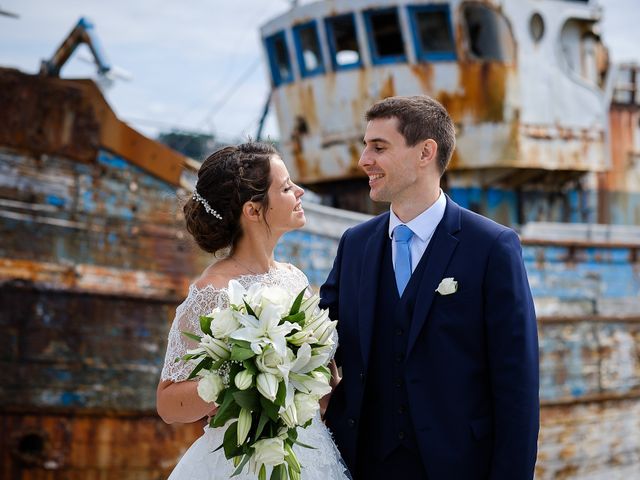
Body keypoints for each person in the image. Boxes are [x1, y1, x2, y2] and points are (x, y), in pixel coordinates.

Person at [320, 96, 539, 479]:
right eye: (365, 146)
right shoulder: (354, 244)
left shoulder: (491, 247)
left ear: (425, 153)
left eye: (379, 147)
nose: (363, 160)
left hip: (458, 466)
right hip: (360, 465)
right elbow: (316, 337)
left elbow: (517, 387)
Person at [157, 142, 350, 480]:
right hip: (241, 462)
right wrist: (238, 380)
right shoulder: (212, 292)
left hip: (310, 452)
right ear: (253, 210)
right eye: (287, 187)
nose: (300, 192)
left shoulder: (295, 278)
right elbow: (168, 403)